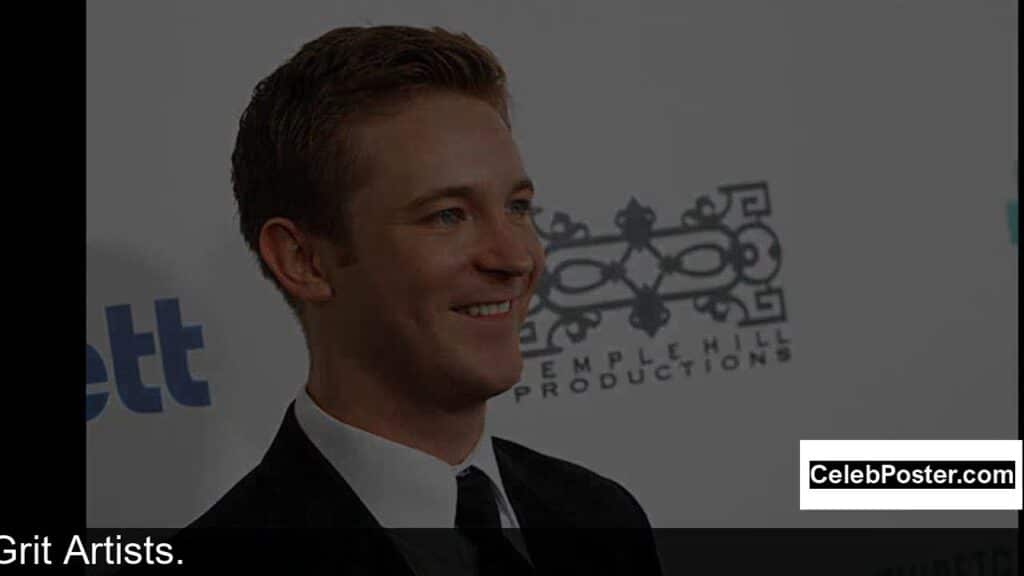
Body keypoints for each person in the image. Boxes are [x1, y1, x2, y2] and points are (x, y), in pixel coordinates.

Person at [186, 25, 662, 575]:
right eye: (447, 215)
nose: (514, 258)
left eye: (518, 206)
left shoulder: (601, 519)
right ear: (304, 261)